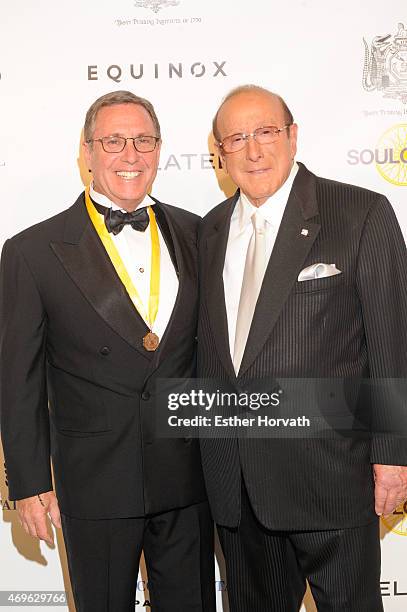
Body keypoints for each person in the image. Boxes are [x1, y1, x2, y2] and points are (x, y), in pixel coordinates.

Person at [0, 90, 215, 612]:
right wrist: (28, 482)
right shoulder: (31, 251)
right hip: (94, 478)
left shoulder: (199, 232)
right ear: (87, 152)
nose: (130, 155)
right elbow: (17, 378)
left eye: (143, 140)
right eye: (113, 141)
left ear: (160, 149)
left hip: (189, 473)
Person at [197, 84, 407, 611]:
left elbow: (392, 341)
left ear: (292, 136)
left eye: (266, 132)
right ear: (219, 153)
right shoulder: (210, 230)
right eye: (236, 138)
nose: (253, 150)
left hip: (334, 476)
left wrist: (394, 455)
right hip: (237, 485)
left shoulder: (360, 212)